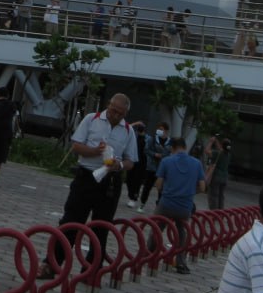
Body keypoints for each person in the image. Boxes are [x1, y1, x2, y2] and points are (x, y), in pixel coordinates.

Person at [38, 93, 138, 277]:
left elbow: (131, 160)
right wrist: (95, 151)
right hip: (86, 176)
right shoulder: (92, 119)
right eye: (113, 111)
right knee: (71, 222)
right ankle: (51, 264)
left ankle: (92, 271)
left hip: (110, 181)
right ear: (108, 105)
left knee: (102, 227)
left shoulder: (128, 131)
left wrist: (120, 165)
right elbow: (76, 146)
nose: (115, 116)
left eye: (120, 113)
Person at [153, 136, 206, 273]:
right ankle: (181, 262)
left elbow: (158, 184)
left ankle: (149, 255)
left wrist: (166, 190)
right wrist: (189, 192)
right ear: (185, 147)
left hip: (166, 204)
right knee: (182, 232)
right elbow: (202, 187)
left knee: (156, 228)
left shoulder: (166, 161)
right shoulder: (196, 163)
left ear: (172, 148)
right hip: (185, 207)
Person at [136, 121, 170, 210]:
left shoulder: (170, 142)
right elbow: (146, 150)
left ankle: (159, 206)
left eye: (161, 129)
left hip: (164, 168)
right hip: (152, 167)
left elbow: (171, 153)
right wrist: (154, 154)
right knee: (147, 186)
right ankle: (142, 204)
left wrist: (165, 157)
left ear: (166, 131)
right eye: (158, 129)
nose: (159, 130)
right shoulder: (153, 139)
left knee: (161, 189)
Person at [204, 135, 230, 209]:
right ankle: (220, 212)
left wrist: (211, 142)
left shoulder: (216, 153)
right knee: (221, 196)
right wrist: (217, 142)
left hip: (216, 177)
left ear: (222, 145)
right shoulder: (228, 155)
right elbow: (221, 149)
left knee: (213, 196)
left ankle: (213, 213)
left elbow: (206, 151)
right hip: (224, 178)